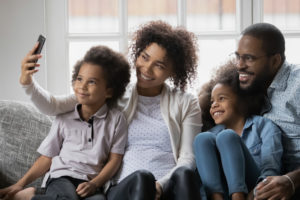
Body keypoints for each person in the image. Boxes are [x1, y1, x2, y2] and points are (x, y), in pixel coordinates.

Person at [17, 20, 203, 200]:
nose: (147, 68)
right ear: (137, 54)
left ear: (173, 71)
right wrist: (28, 82)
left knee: (185, 174)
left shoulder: (186, 103)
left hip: (168, 186)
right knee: (142, 178)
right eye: (144, 57)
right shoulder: (112, 93)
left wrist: (160, 185)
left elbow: (187, 158)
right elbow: (55, 106)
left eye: (159, 65)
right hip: (126, 187)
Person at [0, 45, 130, 200]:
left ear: (109, 91)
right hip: (62, 177)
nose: (82, 86)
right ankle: (34, 193)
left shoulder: (116, 120)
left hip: (91, 183)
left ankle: (34, 196)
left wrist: (95, 184)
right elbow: (47, 157)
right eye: (79, 79)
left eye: (92, 82)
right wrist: (20, 184)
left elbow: (115, 160)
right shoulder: (64, 117)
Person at [193, 61, 283, 200]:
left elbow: (270, 169)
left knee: (227, 137)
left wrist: (257, 192)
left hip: (254, 191)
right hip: (223, 193)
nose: (214, 104)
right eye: (212, 101)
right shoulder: (211, 135)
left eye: (221, 98)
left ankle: (238, 196)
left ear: (243, 99)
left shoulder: (264, 126)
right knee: (201, 139)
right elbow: (201, 175)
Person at [233, 22, 300, 200]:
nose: (239, 65)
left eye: (249, 58)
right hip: (259, 180)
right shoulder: (244, 87)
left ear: (275, 61)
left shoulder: (298, 84)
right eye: (237, 56)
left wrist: (292, 180)